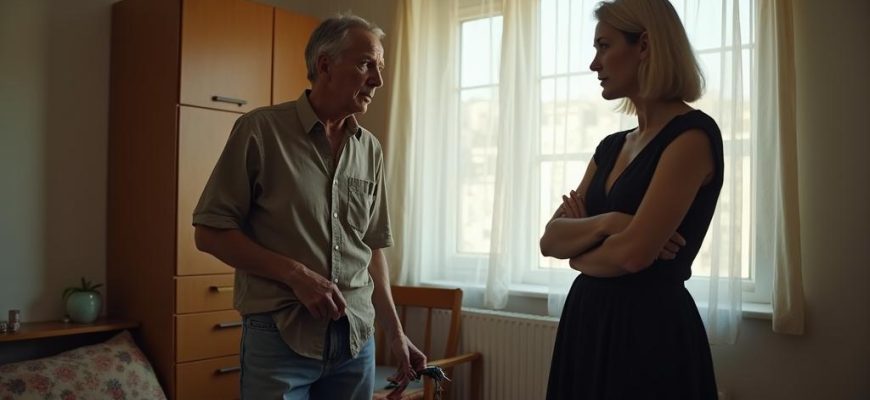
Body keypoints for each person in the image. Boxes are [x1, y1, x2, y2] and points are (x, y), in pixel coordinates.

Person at [193, 14, 426, 400]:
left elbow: (371, 249)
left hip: (356, 341)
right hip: (280, 337)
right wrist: (296, 275)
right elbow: (209, 232)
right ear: (325, 65)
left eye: (380, 68)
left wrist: (396, 333)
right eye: (366, 64)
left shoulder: (369, 149)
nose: (378, 80)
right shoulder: (260, 131)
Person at [539, 0, 720, 398]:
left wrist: (579, 255)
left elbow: (632, 256)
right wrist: (612, 223)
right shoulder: (611, 146)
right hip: (587, 323)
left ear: (645, 46)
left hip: (648, 333)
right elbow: (550, 240)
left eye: (604, 46)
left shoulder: (691, 136)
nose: (594, 64)